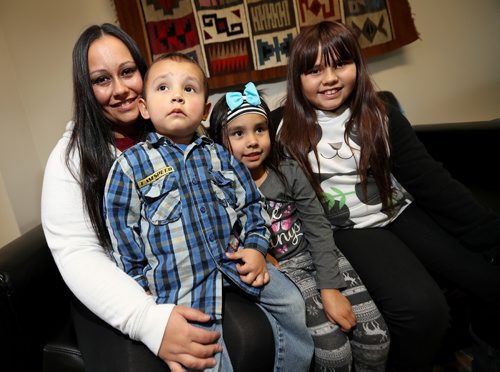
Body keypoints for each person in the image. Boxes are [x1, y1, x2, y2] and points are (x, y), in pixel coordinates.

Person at [41, 23, 273, 372]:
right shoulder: (70, 158)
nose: (120, 89)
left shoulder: (175, 125)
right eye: (102, 80)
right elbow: (78, 253)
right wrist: (148, 318)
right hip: (117, 292)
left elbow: (229, 197)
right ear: (85, 89)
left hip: (190, 271)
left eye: (128, 72)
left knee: (256, 334)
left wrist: (254, 243)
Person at [276, 20, 500, 371]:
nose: (330, 78)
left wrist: (491, 233)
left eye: (340, 64)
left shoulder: (380, 115)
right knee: (423, 310)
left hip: (398, 210)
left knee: (489, 279)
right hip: (349, 228)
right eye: (315, 70)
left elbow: (431, 182)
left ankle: (480, 348)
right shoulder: (281, 127)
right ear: (297, 77)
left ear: (357, 66)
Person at [103, 52, 314, 371]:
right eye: (163, 88)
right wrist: (141, 291)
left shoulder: (222, 156)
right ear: (144, 108)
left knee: (293, 302)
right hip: (181, 283)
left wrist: (257, 248)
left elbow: (252, 205)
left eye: (188, 89)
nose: (176, 95)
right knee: (205, 356)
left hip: (233, 263)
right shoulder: (130, 166)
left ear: (204, 110)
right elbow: (122, 233)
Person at [209, 82, 390, 371]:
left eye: (260, 129)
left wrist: (330, 287)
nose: (253, 141)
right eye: (238, 133)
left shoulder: (288, 171)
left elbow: (318, 226)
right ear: (219, 142)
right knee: (334, 353)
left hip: (320, 258)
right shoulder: (219, 190)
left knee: (375, 339)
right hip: (286, 273)